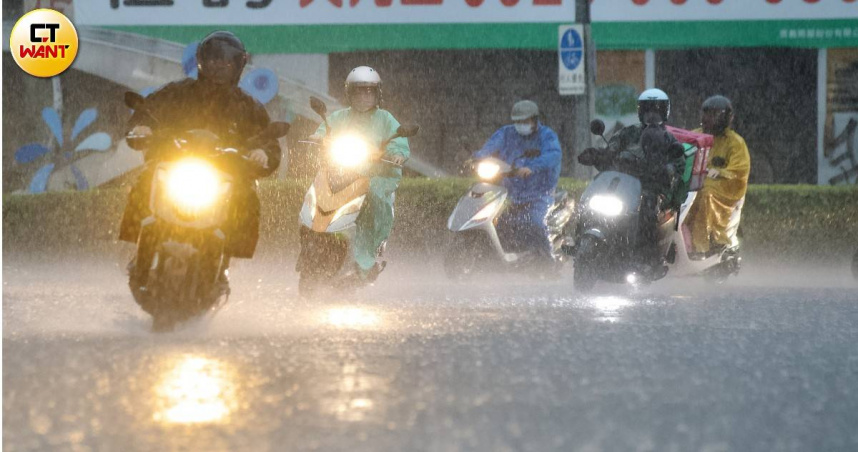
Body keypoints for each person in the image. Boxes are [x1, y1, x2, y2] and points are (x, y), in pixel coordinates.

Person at [119, 31, 281, 293]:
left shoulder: (248, 107)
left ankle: (226, 257)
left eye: (228, 63)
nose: (220, 67)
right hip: (175, 169)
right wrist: (142, 128)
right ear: (201, 61)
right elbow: (146, 113)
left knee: (248, 197)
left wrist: (263, 154)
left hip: (225, 178)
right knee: (144, 181)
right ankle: (139, 249)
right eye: (215, 61)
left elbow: (266, 140)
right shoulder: (176, 93)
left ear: (239, 66)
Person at [309, 66, 409, 281]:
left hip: (377, 176)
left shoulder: (385, 119)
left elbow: (398, 138)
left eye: (369, 91)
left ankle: (367, 258)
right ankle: (311, 240)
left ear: (377, 93)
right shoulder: (340, 117)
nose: (364, 96)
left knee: (374, 197)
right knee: (317, 192)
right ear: (349, 93)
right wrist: (317, 136)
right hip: (343, 173)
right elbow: (325, 129)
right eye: (358, 91)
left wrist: (397, 154)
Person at [578, 88, 686, 274]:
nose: (652, 114)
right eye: (648, 109)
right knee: (591, 198)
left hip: (650, 187)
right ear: (640, 111)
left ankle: (645, 259)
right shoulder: (627, 133)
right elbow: (610, 151)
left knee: (648, 206)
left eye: (657, 109)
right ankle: (578, 238)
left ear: (665, 112)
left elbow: (677, 165)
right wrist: (597, 156)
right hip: (623, 184)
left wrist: (664, 171)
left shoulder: (669, 139)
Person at [472, 100, 562, 267]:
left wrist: (532, 167)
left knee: (535, 223)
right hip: (512, 195)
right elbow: (490, 147)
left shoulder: (546, 136)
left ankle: (548, 264)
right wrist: (477, 157)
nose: (520, 125)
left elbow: (553, 156)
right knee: (501, 226)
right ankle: (503, 262)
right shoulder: (506, 133)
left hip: (540, 195)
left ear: (534, 120)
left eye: (525, 121)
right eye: (517, 121)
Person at [687, 95, 750, 257]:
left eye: (715, 115)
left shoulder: (735, 142)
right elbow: (680, 153)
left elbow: (739, 169)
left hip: (724, 191)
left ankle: (705, 244)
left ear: (727, 117)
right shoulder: (695, 136)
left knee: (706, 193)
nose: (709, 119)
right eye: (707, 114)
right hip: (694, 185)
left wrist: (720, 172)